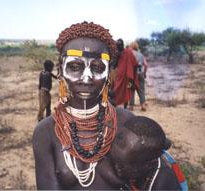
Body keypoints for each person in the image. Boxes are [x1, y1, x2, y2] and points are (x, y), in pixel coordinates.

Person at [32, 21, 186, 190]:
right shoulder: (45, 132)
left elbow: (156, 176)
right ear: (61, 70)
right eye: (75, 66)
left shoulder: (126, 122)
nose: (86, 78)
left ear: (109, 73)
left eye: (98, 67)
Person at [111, 116, 188, 190]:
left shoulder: (162, 184)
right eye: (115, 161)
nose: (114, 167)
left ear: (148, 165)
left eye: (121, 166)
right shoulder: (144, 156)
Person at [113, 39, 138, 108]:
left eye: (119, 46)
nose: (118, 47)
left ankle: (125, 107)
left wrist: (133, 74)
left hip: (128, 76)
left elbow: (135, 63)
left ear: (122, 45)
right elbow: (114, 65)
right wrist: (117, 57)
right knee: (116, 89)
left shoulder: (128, 52)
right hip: (120, 76)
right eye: (117, 46)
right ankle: (115, 105)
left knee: (126, 92)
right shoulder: (117, 53)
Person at [129, 41, 148, 111]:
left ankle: (131, 106)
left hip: (132, 74)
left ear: (131, 46)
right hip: (140, 73)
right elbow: (146, 65)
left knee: (131, 89)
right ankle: (143, 105)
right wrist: (144, 73)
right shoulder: (141, 55)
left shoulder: (130, 54)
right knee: (141, 90)